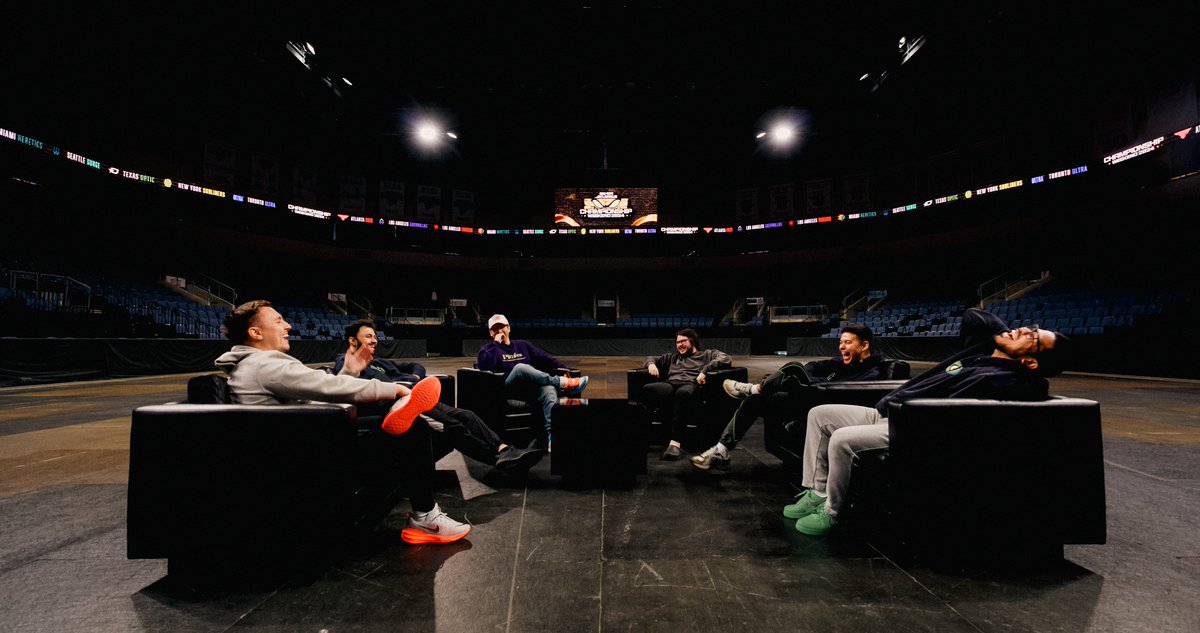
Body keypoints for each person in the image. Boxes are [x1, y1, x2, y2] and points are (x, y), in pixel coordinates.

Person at [787, 308, 1072, 537]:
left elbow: (952, 418)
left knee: (842, 438)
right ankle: (817, 491)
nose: (1024, 330)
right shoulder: (981, 349)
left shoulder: (1003, 378)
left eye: (1033, 338)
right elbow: (974, 316)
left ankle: (832, 512)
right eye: (1031, 328)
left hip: (907, 426)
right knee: (820, 414)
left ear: (1031, 362)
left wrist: (1016, 353)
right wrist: (1005, 338)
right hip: (885, 411)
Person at [216, 300, 471, 545]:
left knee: (401, 423)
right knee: (413, 429)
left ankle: (405, 424)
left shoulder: (250, 365)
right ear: (256, 332)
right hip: (304, 456)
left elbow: (314, 397)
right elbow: (327, 385)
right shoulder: (264, 365)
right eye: (278, 321)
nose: (288, 326)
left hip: (296, 443)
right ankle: (426, 520)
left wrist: (349, 372)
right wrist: (395, 389)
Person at [334, 319, 545, 475]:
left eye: (374, 336)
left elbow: (415, 365)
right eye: (368, 336)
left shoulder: (380, 362)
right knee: (453, 426)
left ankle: (505, 449)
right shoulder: (346, 362)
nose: (374, 340)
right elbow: (350, 384)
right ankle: (499, 460)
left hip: (420, 398)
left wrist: (414, 377)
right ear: (353, 340)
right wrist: (402, 385)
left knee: (467, 415)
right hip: (402, 406)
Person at [691, 324, 885, 470]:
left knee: (793, 369)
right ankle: (721, 450)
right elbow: (812, 366)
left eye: (847, 342)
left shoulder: (873, 372)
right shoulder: (840, 363)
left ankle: (755, 388)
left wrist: (814, 382)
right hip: (807, 398)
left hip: (826, 405)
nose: (841, 347)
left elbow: (845, 393)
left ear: (864, 345)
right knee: (760, 396)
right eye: (840, 342)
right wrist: (810, 381)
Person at [475, 314, 589, 452]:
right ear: (490, 333)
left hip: (530, 390)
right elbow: (484, 366)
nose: (499, 331)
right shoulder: (487, 350)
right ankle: (562, 383)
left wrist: (565, 370)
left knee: (549, 389)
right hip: (508, 389)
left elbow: (545, 358)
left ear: (509, 328)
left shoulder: (522, 345)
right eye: (495, 329)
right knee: (520, 368)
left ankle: (552, 436)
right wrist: (496, 344)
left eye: (502, 327)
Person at [640, 328, 732, 460]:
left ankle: (675, 443)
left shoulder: (706, 354)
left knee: (682, 393)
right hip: (671, 384)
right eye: (677, 342)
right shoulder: (673, 357)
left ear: (692, 341)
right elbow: (650, 358)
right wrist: (651, 365)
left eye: (683, 341)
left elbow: (726, 358)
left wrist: (705, 370)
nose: (679, 345)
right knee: (648, 389)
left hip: (690, 384)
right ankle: (642, 433)